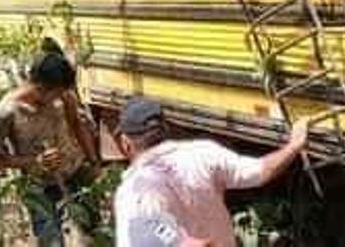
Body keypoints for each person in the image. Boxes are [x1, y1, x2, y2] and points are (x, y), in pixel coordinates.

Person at [113, 98, 309, 247]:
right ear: (166, 128)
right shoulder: (203, 153)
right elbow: (260, 172)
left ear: (126, 144)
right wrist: (294, 145)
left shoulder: (133, 191)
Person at [0, 51, 99, 246]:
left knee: (93, 229)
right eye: (58, 92)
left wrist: (93, 161)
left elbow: (77, 126)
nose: (62, 96)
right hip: (39, 187)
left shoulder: (64, 97)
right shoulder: (5, 113)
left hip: (75, 172)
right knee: (50, 240)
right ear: (41, 87)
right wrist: (33, 161)